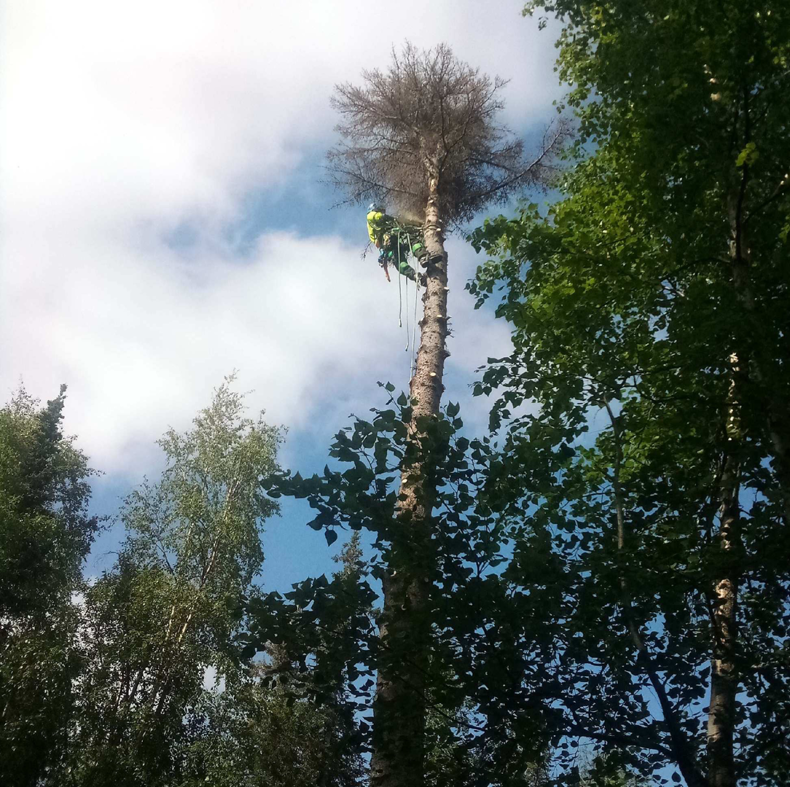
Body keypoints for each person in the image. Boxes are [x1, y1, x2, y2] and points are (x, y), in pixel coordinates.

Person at [366, 203, 427, 281]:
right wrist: (389, 218)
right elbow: (377, 216)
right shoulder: (370, 215)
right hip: (393, 237)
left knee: (399, 262)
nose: (382, 213)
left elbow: (377, 244)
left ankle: (415, 276)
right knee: (413, 241)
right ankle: (422, 257)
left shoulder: (372, 231)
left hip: (389, 246)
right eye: (380, 211)